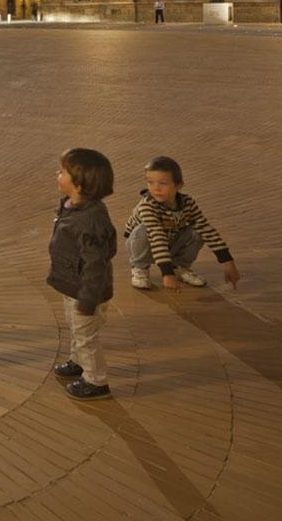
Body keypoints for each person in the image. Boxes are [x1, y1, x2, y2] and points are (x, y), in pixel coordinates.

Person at [48, 148, 117, 400]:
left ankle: (96, 381)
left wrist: (88, 300)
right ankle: (77, 362)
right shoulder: (73, 206)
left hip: (87, 292)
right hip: (72, 286)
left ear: (78, 184)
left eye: (63, 172)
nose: (58, 174)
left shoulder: (91, 221)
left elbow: (96, 264)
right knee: (76, 329)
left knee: (86, 336)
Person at [126, 155, 241, 292]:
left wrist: (228, 262)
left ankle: (179, 267)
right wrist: (166, 273)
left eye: (163, 183)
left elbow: (206, 228)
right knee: (143, 230)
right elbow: (156, 236)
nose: (156, 188)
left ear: (178, 185)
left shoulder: (188, 203)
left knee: (198, 232)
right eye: (150, 182)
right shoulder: (147, 206)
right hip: (143, 244)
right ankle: (140, 268)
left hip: (169, 240)